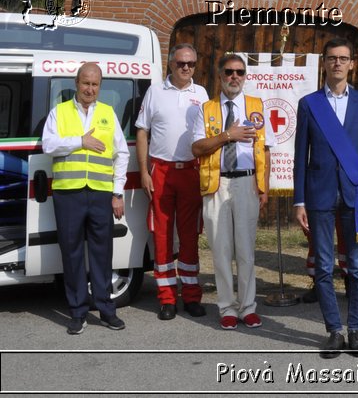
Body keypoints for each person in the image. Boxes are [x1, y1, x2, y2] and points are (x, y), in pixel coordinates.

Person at [293, 38, 358, 358]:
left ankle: (355, 330)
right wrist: (298, 200)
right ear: (325, 63)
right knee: (325, 267)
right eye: (332, 58)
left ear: (352, 64)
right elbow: (300, 154)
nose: (338, 64)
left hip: (356, 196)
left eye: (344, 59)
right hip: (319, 195)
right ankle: (333, 330)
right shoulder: (309, 103)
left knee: (357, 267)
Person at [43, 63, 129, 334]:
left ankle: (105, 310)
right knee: (72, 253)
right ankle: (78, 312)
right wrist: (80, 141)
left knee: (102, 254)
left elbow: (122, 154)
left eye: (95, 84)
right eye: (85, 83)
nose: (90, 89)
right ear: (76, 83)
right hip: (69, 194)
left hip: (101, 195)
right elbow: (48, 145)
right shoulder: (59, 112)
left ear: (100, 86)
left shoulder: (107, 113)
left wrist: (117, 192)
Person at [190, 55, 269, 328]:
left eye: (239, 72)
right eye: (229, 71)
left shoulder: (256, 106)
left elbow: (264, 150)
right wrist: (227, 136)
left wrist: (264, 187)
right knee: (221, 249)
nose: (234, 76)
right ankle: (227, 308)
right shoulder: (207, 108)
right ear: (220, 75)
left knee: (246, 250)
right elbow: (197, 148)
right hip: (217, 184)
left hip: (247, 183)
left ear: (245, 75)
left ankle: (248, 306)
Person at [136, 43, 210, 320]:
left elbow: (208, 135)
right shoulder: (155, 92)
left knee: (190, 236)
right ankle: (167, 298)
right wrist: (144, 171)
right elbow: (142, 132)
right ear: (171, 64)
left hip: (191, 171)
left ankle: (191, 296)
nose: (186, 68)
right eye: (181, 63)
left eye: (191, 63)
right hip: (162, 171)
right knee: (163, 236)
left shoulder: (201, 93)